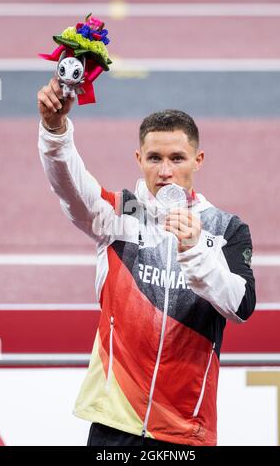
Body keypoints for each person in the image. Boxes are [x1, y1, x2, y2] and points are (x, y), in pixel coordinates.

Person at [37, 78, 256, 447]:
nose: (165, 171)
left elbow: (241, 306)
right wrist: (55, 131)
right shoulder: (122, 213)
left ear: (197, 161)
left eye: (177, 159)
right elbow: (71, 190)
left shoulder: (225, 228)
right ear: (139, 160)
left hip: (187, 428)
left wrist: (194, 250)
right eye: (154, 158)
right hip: (114, 423)